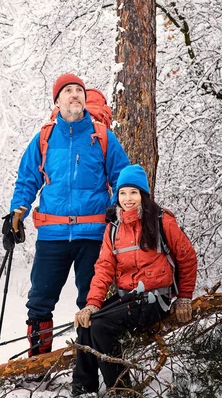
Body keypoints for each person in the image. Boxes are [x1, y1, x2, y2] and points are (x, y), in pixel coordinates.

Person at [3, 73, 130, 356]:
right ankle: (39, 360)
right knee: (39, 300)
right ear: (57, 100)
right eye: (68, 91)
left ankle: (88, 364)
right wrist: (16, 214)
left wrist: (114, 204)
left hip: (94, 235)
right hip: (52, 235)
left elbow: (123, 175)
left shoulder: (103, 137)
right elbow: (27, 180)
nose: (75, 95)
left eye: (79, 90)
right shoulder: (44, 138)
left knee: (91, 301)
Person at [72, 164, 197, 397]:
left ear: (143, 195)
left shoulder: (161, 222)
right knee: (87, 322)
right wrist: (92, 303)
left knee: (100, 326)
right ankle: (83, 389)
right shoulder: (113, 229)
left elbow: (187, 258)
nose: (127, 199)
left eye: (133, 192)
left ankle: (121, 390)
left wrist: (184, 298)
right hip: (126, 298)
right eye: (122, 193)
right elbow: (104, 268)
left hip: (154, 299)